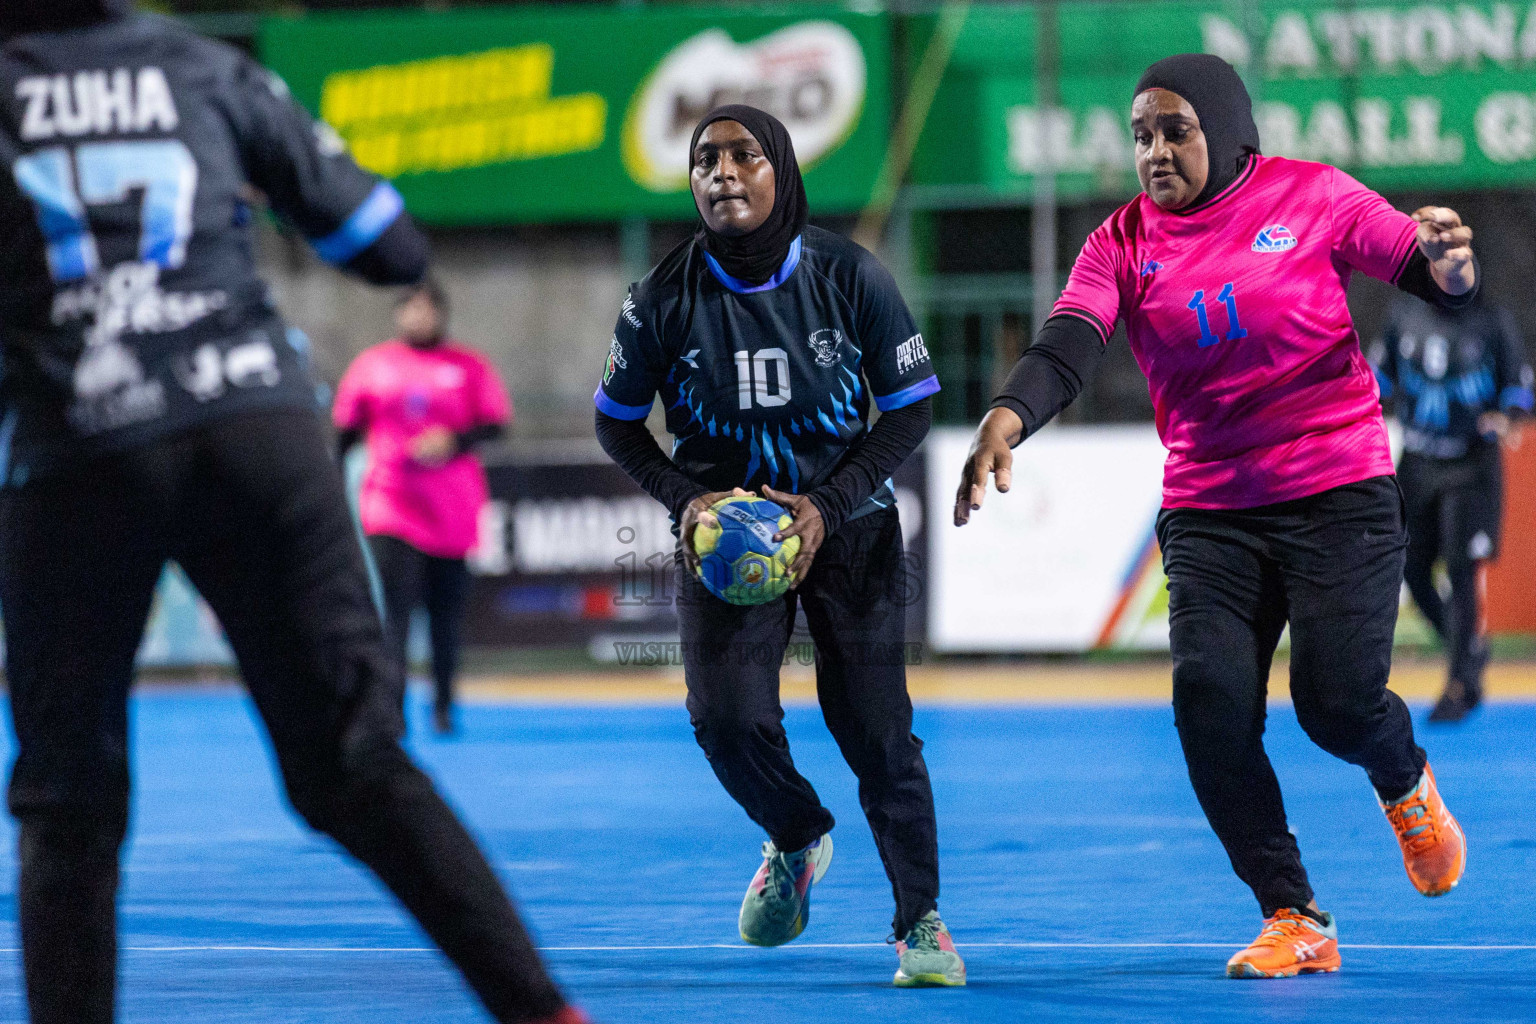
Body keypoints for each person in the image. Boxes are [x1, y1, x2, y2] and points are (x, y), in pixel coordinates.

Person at [0, 3, 583, 1022]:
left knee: (70, 802)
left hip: (83, 447)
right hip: (254, 427)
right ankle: (543, 1011)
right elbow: (392, 247)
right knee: (354, 760)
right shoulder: (200, 66)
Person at [954, 54, 1470, 980]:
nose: (1154, 151)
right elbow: (1071, 340)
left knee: (1335, 703)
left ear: (1228, 132)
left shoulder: (1313, 197)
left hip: (1338, 490)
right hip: (1211, 509)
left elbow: (1417, 263)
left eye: (1175, 131)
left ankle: (1405, 782)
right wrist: (1008, 414)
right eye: (1142, 135)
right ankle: (1295, 915)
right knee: (1210, 709)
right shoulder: (1120, 241)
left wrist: (1447, 267)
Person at [594, 104, 962, 988]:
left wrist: (829, 505)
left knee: (877, 734)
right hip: (725, 541)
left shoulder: (850, 275)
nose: (722, 172)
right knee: (725, 721)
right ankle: (798, 836)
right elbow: (616, 427)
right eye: (704, 159)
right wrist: (688, 501)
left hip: (850, 526)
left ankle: (921, 925)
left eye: (744, 155)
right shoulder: (659, 299)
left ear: (781, 168)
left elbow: (910, 404)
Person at [335, 280, 510, 735]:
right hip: (391, 504)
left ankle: (444, 704)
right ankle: (390, 709)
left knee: (445, 615)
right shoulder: (373, 365)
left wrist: (454, 441)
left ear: (441, 314)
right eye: (408, 307)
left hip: (452, 508)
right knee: (395, 612)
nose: (417, 316)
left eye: (426, 308)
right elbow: (344, 434)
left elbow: (495, 424)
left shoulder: (468, 365)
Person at [1369, 295, 1533, 722]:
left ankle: (1461, 683)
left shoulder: (1493, 319)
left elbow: (1518, 385)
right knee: (1409, 566)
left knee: (1462, 571)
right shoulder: (1403, 313)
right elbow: (1376, 379)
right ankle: (1470, 650)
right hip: (1419, 462)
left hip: (1472, 463)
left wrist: (1511, 415)